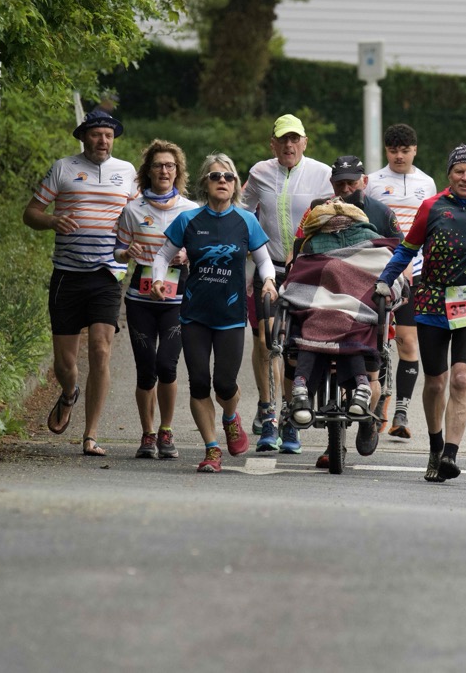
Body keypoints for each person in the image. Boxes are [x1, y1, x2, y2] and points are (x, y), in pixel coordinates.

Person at [376, 144, 466, 483]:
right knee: (436, 382)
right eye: (460, 171)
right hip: (432, 302)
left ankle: (450, 455)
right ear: (450, 175)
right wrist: (385, 280)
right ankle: (435, 445)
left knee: (461, 379)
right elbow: (407, 250)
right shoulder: (432, 207)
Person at [151, 154, 278, 473]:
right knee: (198, 382)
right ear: (205, 183)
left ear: (235, 184)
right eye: (215, 176)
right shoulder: (188, 220)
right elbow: (162, 255)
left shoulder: (246, 221)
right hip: (194, 314)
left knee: (224, 383)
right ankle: (211, 448)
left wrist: (269, 281)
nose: (222, 181)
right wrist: (157, 280)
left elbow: (263, 260)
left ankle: (230, 417)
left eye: (229, 177)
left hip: (231, 316)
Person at [24, 108, 137, 457]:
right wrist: (51, 220)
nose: (103, 140)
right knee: (65, 364)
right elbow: (30, 213)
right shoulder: (63, 168)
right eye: (96, 134)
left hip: (107, 274)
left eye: (108, 135)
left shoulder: (127, 172)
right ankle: (69, 392)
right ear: (83, 137)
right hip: (67, 274)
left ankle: (91, 434)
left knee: (101, 350)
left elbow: (142, 214)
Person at [292, 155, 402, 462]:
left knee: (372, 372)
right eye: (339, 183)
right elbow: (300, 253)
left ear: (363, 181)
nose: (345, 189)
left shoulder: (381, 214)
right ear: (332, 184)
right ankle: (334, 445)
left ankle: (367, 422)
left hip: (368, 300)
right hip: (326, 301)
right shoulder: (318, 212)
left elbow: (399, 255)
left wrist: (394, 290)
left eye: (351, 183)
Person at [241, 114, 332, 454]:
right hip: (267, 269)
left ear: (305, 142)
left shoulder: (322, 174)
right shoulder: (259, 172)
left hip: (306, 271)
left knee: (294, 347)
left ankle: (291, 417)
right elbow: (242, 212)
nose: (289, 145)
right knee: (266, 341)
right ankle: (268, 413)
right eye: (283, 140)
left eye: (295, 139)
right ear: (273, 144)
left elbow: (332, 219)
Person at [113, 140, 197, 460]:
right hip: (141, 298)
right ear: (148, 171)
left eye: (170, 166)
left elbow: (201, 250)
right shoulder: (133, 209)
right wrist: (126, 253)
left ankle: (166, 429)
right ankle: (147, 433)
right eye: (158, 165)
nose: (164, 171)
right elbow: (118, 250)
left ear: (177, 172)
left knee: (167, 365)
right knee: (146, 368)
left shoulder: (190, 210)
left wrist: (187, 255)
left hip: (178, 299)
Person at [365, 124, 438, 440]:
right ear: (386, 151)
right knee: (377, 340)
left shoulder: (427, 183)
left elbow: (431, 228)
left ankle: (401, 412)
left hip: (416, 271)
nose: (399, 156)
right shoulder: (372, 181)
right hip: (380, 269)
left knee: (408, 341)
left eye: (405, 151)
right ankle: (377, 401)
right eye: (393, 150)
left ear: (415, 150)